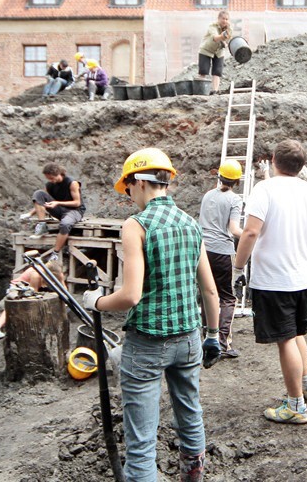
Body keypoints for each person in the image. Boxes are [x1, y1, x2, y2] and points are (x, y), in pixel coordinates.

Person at [82, 148, 221, 482]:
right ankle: (192, 476)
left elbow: (131, 295)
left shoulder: (137, 225)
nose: (129, 196)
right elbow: (210, 291)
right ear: (166, 181)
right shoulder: (190, 223)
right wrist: (213, 336)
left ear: (137, 183)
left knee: (141, 442)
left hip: (147, 344)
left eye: (127, 189)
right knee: (190, 413)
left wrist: (96, 302)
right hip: (189, 338)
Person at [233, 140, 307, 424]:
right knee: (297, 332)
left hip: (274, 279)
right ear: (301, 166)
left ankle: (296, 405)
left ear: (273, 160)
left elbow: (249, 233)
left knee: (285, 340)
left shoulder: (265, 189)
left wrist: (238, 266)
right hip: (301, 276)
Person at [198, 159, 244, 357]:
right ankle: (223, 343)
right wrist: (253, 235)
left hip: (202, 250)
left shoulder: (208, 195)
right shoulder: (235, 200)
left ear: (219, 176)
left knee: (207, 293)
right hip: (222, 251)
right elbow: (234, 230)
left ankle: (206, 337)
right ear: (237, 181)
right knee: (227, 297)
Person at [22, 163, 85, 262]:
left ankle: (55, 253)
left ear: (59, 174)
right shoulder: (50, 185)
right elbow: (42, 201)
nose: (51, 181)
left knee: (65, 224)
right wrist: (30, 214)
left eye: (52, 178)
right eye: (48, 179)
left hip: (74, 211)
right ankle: (42, 224)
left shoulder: (72, 183)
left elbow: (77, 203)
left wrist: (57, 202)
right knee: (39, 193)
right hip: (59, 209)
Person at [0, 262, 65, 339]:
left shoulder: (55, 273)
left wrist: (61, 280)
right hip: (20, 288)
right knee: (15, 304)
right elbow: (33, 296)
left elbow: (65, 291)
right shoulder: (36, 274)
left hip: (37, 287)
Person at [198, 10, 233, 94]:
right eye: (223, 18)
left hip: (219, 52)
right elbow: (215, 38)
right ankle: (200, 90)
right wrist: (223, 36)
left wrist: (226, 40)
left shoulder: (229, 28)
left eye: (226, 19)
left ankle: (215, 91)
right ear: (218, 19)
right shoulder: (212, 26)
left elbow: (229, 39)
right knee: (203, 70)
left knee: (217, 71)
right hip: (206, 50)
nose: (225, 21)